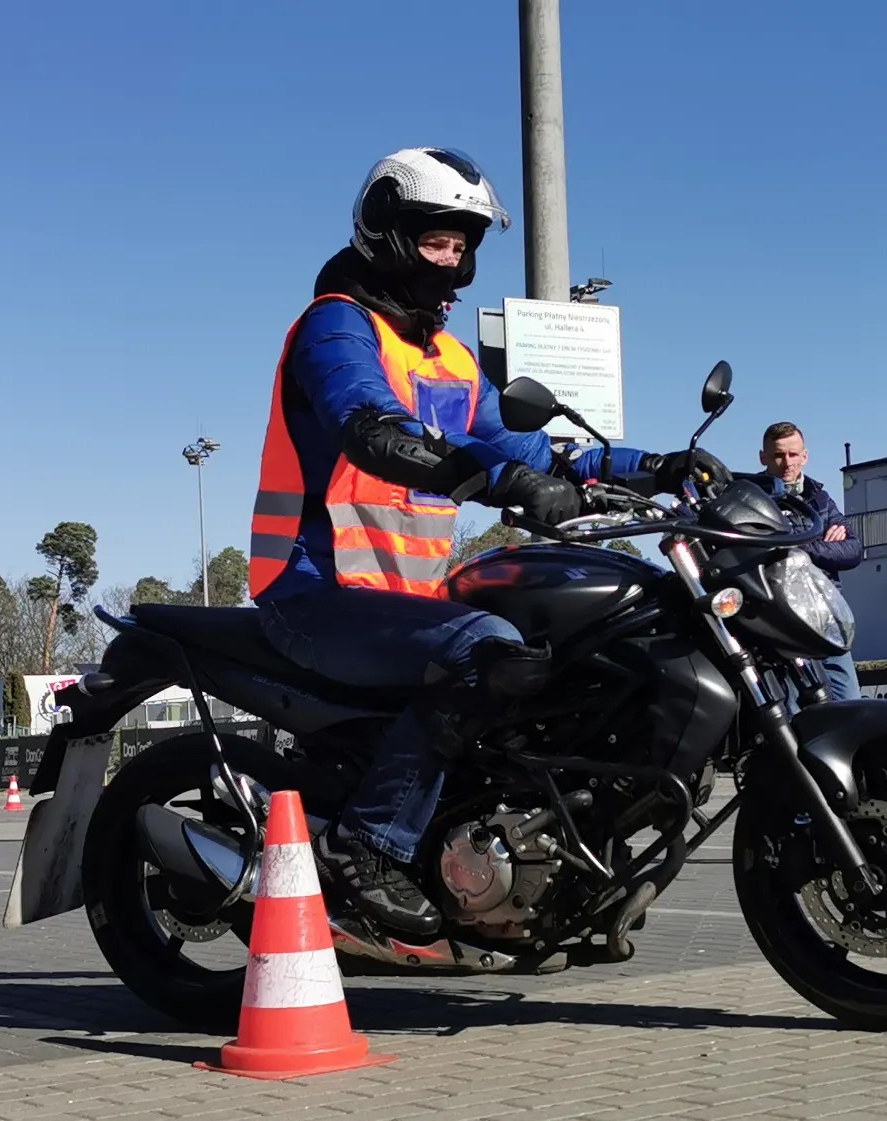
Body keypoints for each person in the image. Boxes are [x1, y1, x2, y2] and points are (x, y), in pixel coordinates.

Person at [249, 146, 726, 937]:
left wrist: (657, 468)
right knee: (485, 648)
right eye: (438, 240)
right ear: (387, 233)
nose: (454, 258)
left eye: (465, 243)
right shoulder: (337, 326)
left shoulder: (449, 358)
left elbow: (536, 453)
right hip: (315, 597)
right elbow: (370, 429)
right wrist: (497, 484)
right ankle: (363, 844)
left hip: (403, 603)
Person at [756, 421, 863, 701]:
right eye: (778, 455)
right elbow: (762, 549)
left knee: (848, 699)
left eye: (793, 454)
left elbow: (853, 550)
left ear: (805, 456)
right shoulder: (750, 497)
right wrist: (821, 543)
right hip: (778, 616)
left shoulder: (821, 499)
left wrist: (800, 545)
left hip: (824, 613)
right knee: (789, 705)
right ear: (763, 458)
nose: (786, 462)